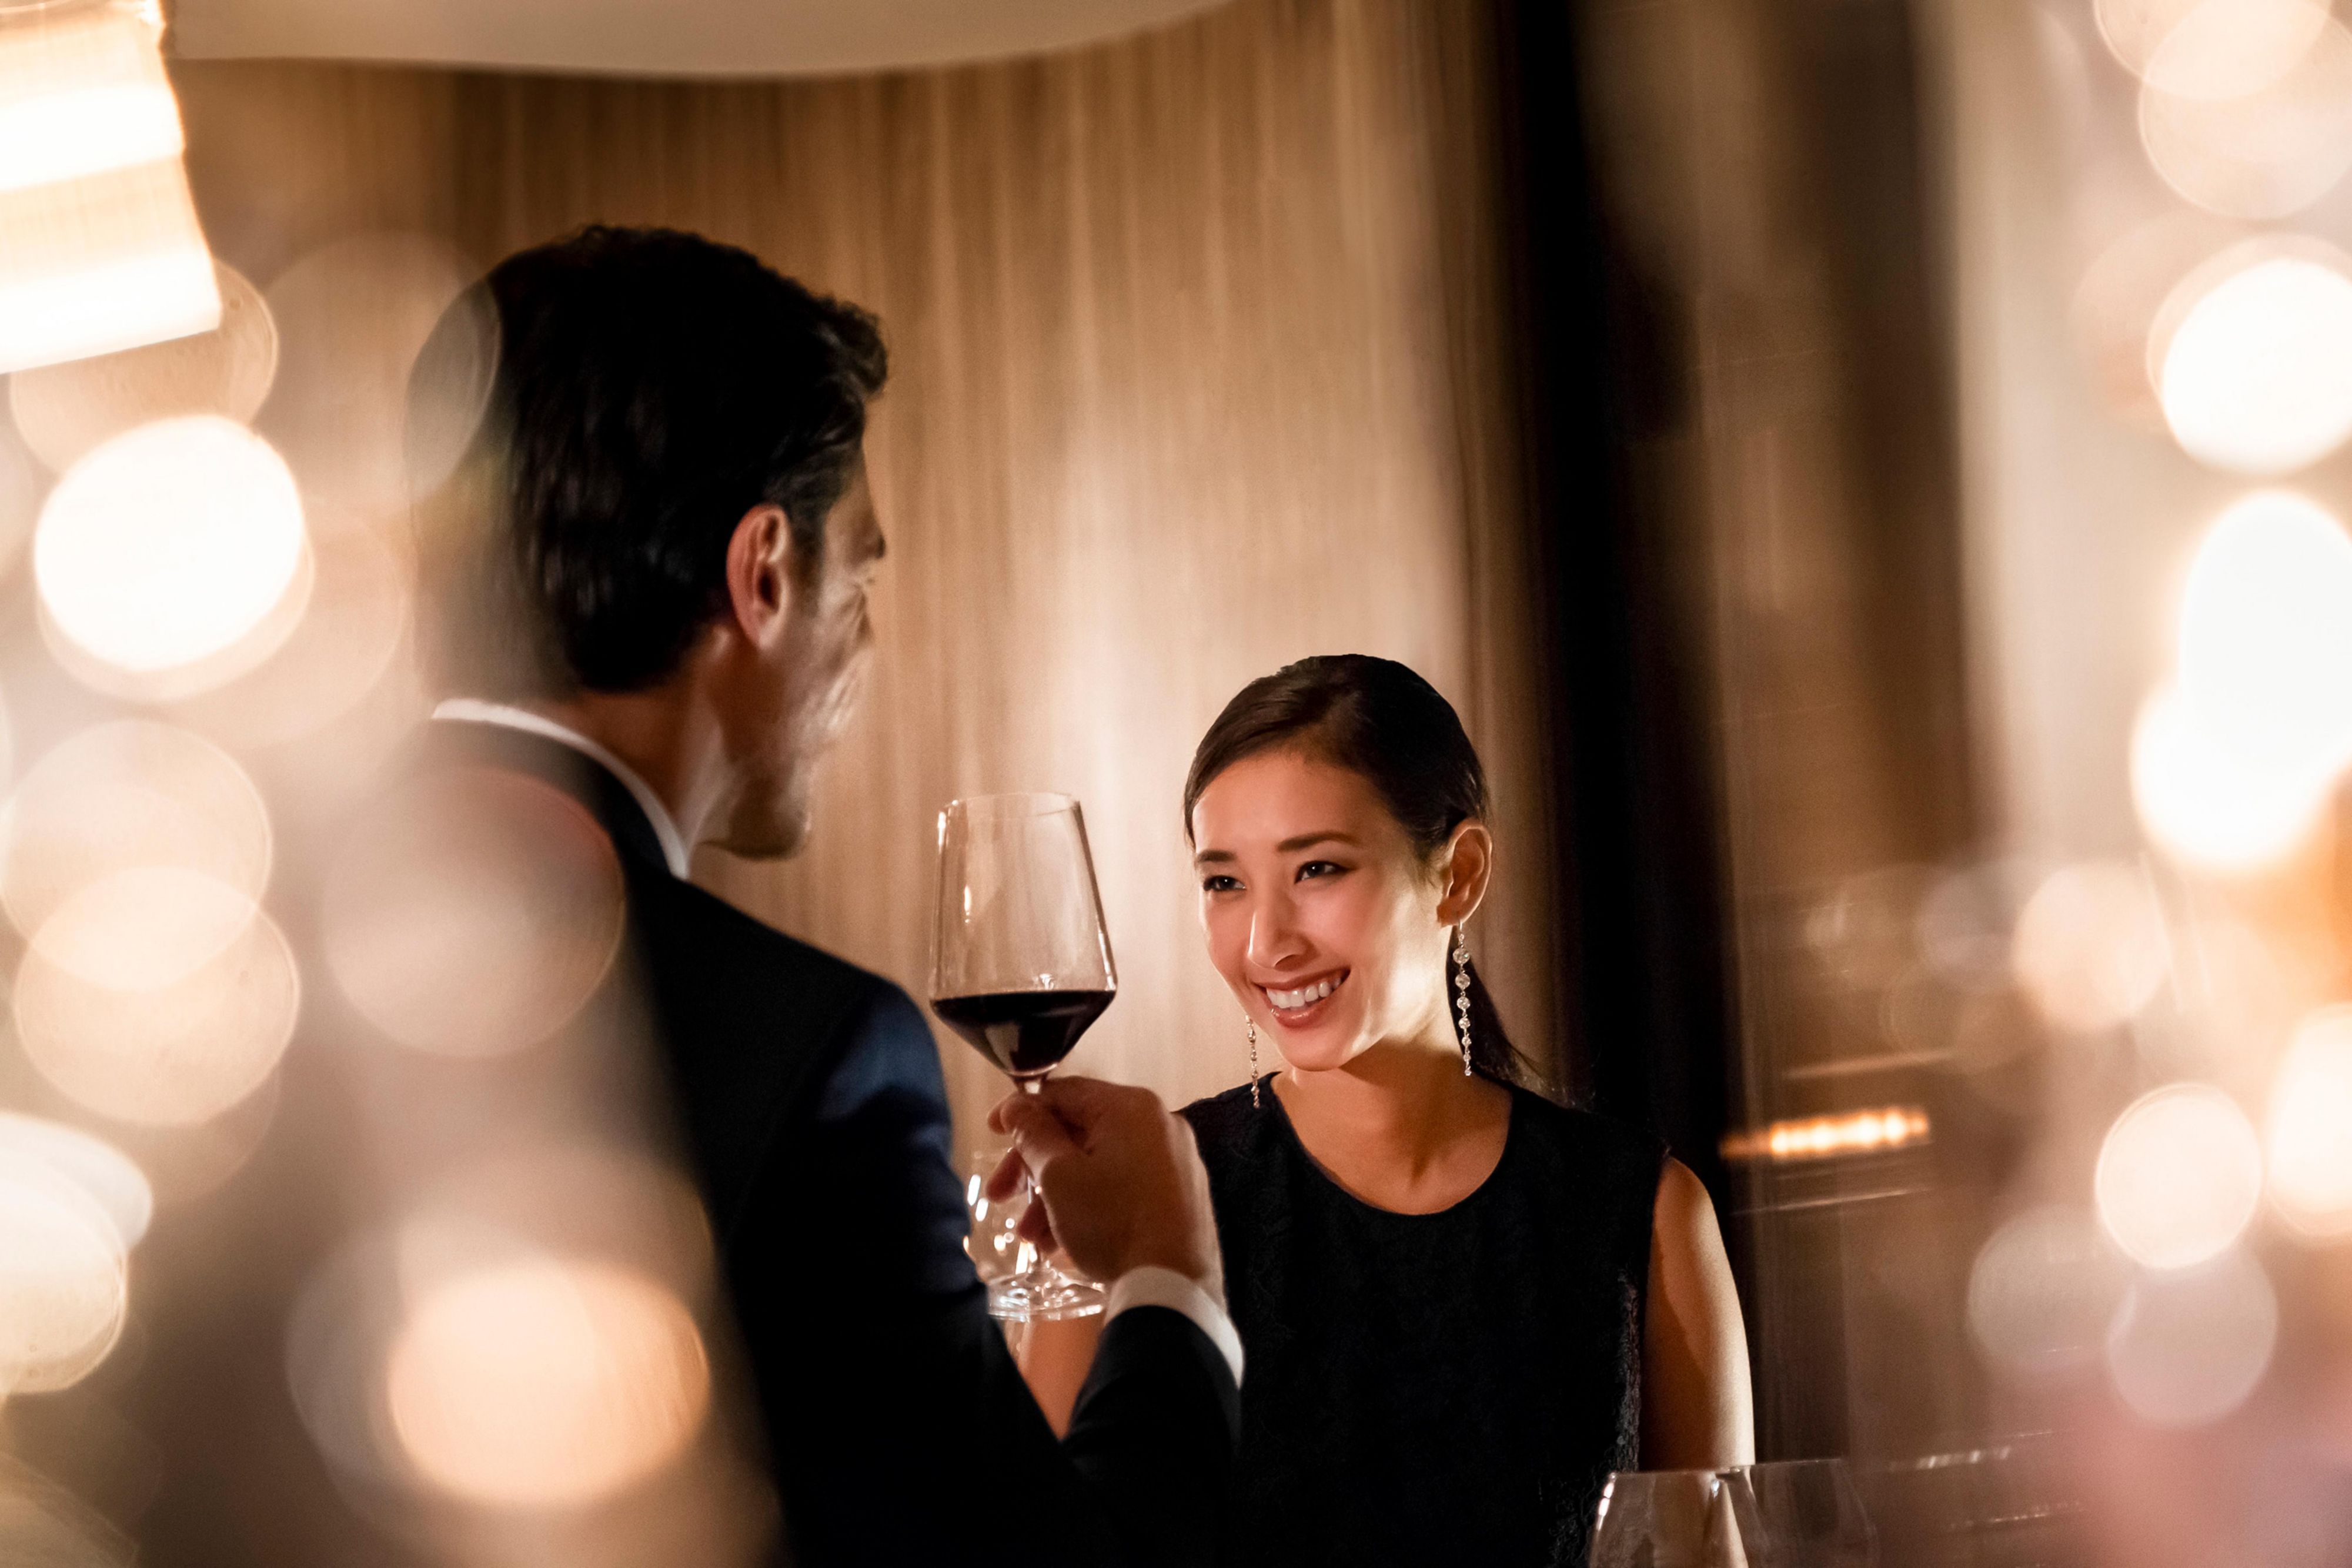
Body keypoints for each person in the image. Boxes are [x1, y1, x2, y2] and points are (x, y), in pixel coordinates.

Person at [402, 225, 1241, 1566]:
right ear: (766, 574)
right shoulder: (812, 1054)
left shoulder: (202, 946)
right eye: (863, 566)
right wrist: (1167, 1282)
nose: (863, 634)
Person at [1023, 654, 1752, 1566]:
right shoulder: (1147, 1200)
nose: (1266, 942)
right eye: (1224, 882)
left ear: (1459, 875)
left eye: (1317, 869)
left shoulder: (1642, 1213)